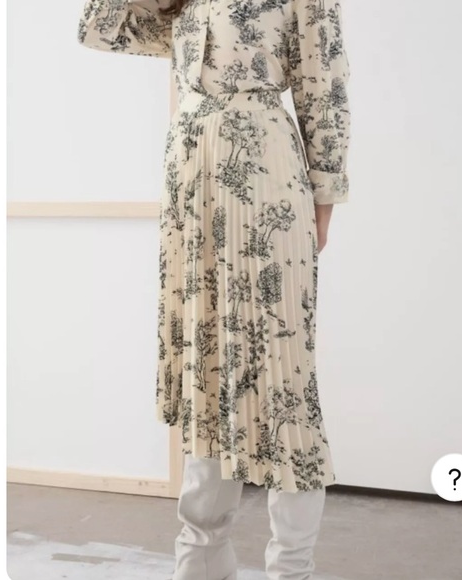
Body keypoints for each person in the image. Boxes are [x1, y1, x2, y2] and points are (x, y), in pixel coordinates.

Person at [77, 0, 351, 577]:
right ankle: (201, 561)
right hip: (189, 179)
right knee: (206, 371)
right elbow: (98, 29)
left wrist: (324, 198)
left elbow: (324, 86)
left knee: (282, 378)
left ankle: (291, 568)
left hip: (266, 178)